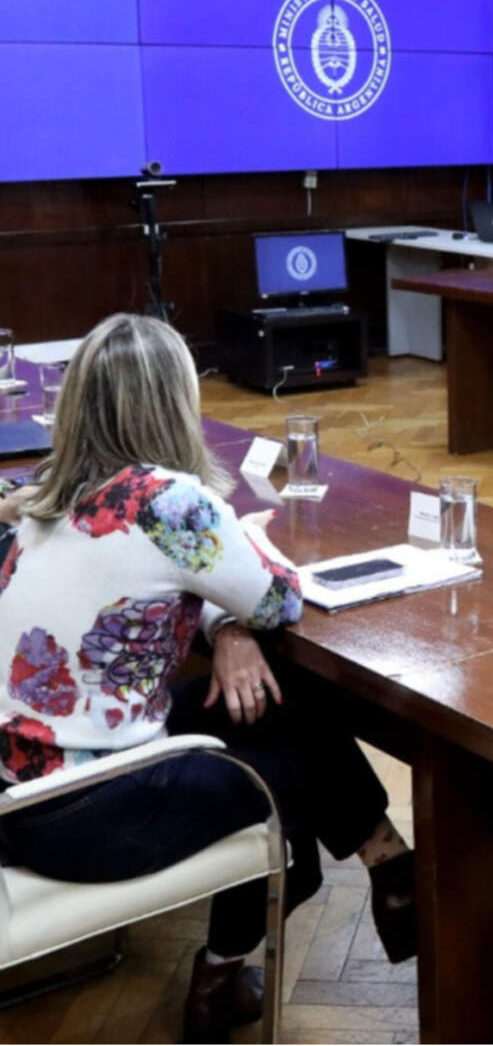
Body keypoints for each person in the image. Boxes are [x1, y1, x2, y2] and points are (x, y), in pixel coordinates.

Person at [0, 315, 417, 1042]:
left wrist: (222, 628)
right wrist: (245, 550)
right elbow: (280, 598)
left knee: (277, 701)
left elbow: (131, 600)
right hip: (93, 805)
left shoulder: (44, 491)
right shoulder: (170, 504)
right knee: (283, 782)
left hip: (24, 789)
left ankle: (389, 865)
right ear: (172, 400)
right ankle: (221, 978)